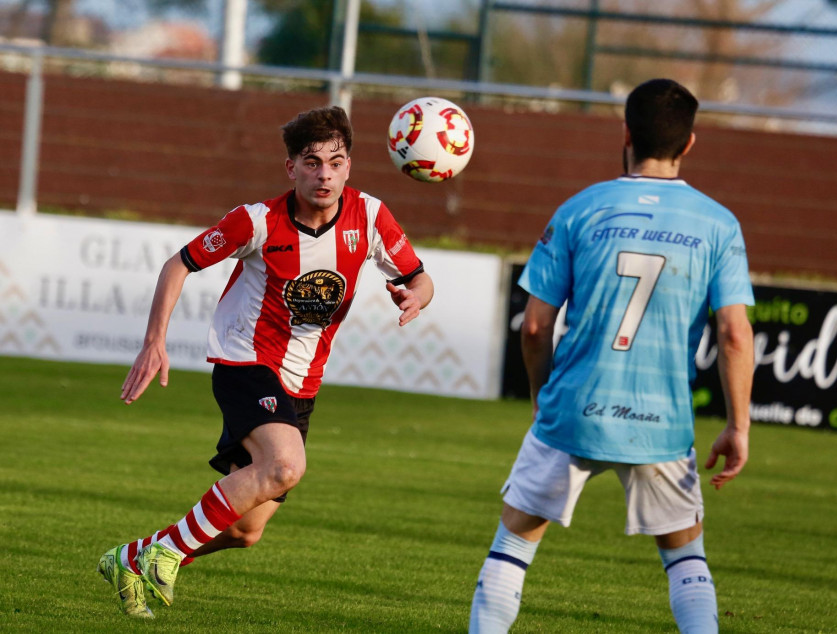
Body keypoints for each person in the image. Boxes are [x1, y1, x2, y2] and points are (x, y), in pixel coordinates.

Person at [96, 105, 434, 618]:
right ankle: (168, 553)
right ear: (291, 168)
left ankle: (133, 556)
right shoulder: (255, 221)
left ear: (349, 166)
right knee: (285, 465)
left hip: (303, 382)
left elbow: (419, 276)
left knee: (244, 530)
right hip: (245, 362)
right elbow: (179, 263)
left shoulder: (369, 217)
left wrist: (416, 297)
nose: (324, 174)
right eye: (312, 161)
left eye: (336, 162)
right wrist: (154, 341)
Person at [468, 79, 754, 633]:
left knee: (512, 547)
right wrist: (737, 425)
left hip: (572, 409)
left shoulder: (579, 209)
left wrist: (539, 396)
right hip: (662, 423)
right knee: (684, 559)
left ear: (625, 132)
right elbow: (736, 335)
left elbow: (534, 326)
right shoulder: (718, 224)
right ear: (689, 143)